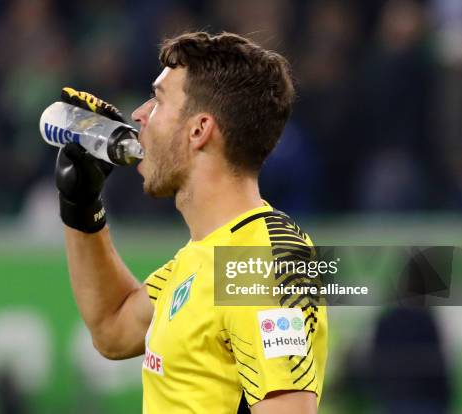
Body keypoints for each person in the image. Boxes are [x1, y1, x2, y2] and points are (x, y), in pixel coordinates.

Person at [54, 31, 328, 413]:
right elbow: (113, 328)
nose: (138, 115)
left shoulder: (257, 262)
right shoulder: (205, 256)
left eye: (159, 100)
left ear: (199, 130)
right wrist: (81, 205)